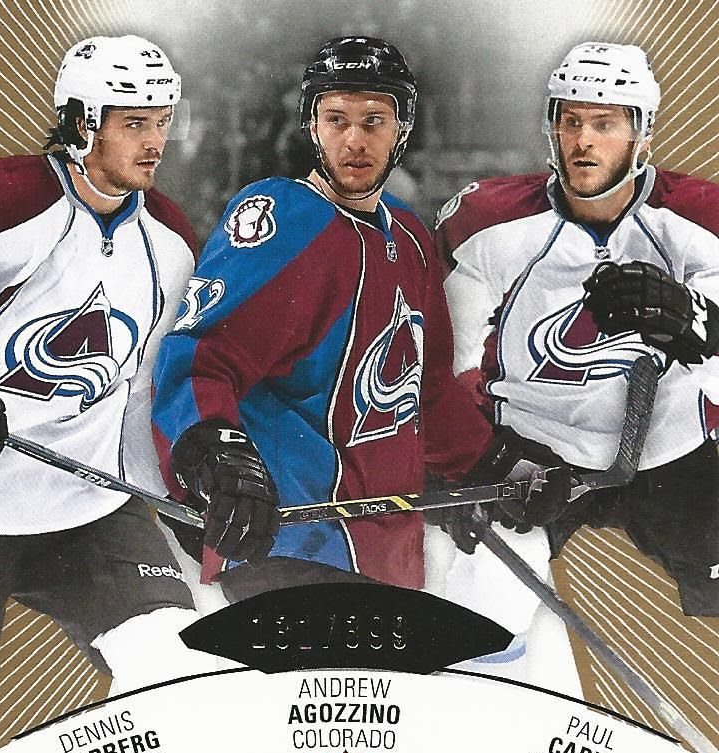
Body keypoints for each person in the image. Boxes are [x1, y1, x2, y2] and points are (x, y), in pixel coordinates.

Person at [151, 36, 568, 602]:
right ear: (312, 126)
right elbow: (200, 358)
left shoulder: (411, 237)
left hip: (387, 555)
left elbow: (427, 393)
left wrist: (496, 462)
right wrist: (214, 452)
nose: (354, 140)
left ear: (402, 129)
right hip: (289, 540)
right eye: (336, 119)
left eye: (374, 120)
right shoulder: (285, 218)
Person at [432, 41, 719, 668]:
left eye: (605, 123)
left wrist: (695, 323)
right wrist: (475, 461)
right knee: (473, 620)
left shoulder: (703, 218)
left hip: (673, 452)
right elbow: (440, 366)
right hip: (535, 453)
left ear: (642, 133)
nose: (583, 141)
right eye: (571, 120)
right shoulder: (485, 221)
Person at [0, 35, 228, 693]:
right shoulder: (8, 199)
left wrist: (179, 496)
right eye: (135, 124)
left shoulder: (170, 240)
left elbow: (142, 393)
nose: (155, 142)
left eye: (163, 122)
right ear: (81, 122)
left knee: (177, 669)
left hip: (87, 511)